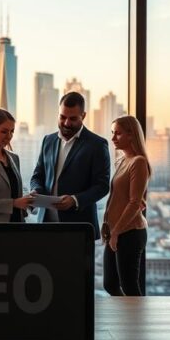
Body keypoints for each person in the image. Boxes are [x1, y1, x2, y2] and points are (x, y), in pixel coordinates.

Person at [29, 92, 111, 238]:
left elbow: (102, 186)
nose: (66, 123)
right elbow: (37, 175)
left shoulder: (97, 145)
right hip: (45, 226)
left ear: (83, 116)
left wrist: (75, 200)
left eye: (72, 118)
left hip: (79, 228)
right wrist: (37, 191)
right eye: (62, 117)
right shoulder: (48, 140)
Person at [102, 115, 152, 296]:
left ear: (131, 135)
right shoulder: (123, 160)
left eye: (118, 133)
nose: (113, 138)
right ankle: (127, 313)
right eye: (112, 133)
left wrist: (116, 232)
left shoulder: (138, 162)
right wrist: (109, 229)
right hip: (115, 231)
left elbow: (135, 203)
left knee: (129, 286)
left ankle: (135, 315)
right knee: (110, 284)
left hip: (130, 232)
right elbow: (119, 197)